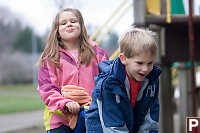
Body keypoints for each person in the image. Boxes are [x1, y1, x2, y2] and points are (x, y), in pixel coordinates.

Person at [37, 8, 108, 133]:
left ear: (81, 26)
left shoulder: (98, 54)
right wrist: (65, 103)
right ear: (57, 31)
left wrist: (93, 103)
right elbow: (47, 89)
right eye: (63, 23)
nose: (69, 24)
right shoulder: (49, 59)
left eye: (73, 21)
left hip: (91, 114)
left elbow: (106, 82)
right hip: (60, 119)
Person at [85, 28, 162, 133]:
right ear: (123, 59)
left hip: (130, 126)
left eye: (150, 63)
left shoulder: (151, 79)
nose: (145, 69)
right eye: (139, 63)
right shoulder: (109, 83)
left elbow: (150, 118)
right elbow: (112, 126)